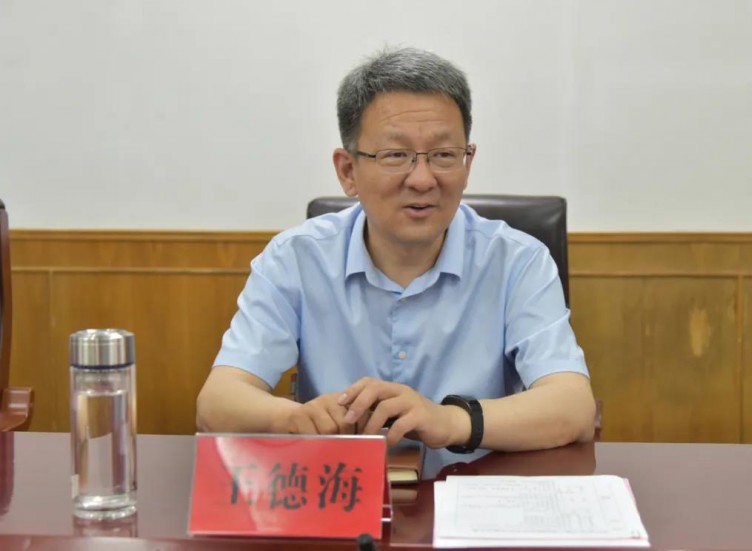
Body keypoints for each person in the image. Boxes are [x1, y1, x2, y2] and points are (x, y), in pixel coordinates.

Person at [196, 47, 596, 475]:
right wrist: (294, 419)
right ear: (347, 170)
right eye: (395, 155)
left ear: (467, 163)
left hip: (476, 497)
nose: (422, 179)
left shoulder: (518, 261)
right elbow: (217, 403)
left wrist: (448, 420)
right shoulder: (295, 258)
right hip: (340, 494)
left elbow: (573, 407)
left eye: (444, 155)